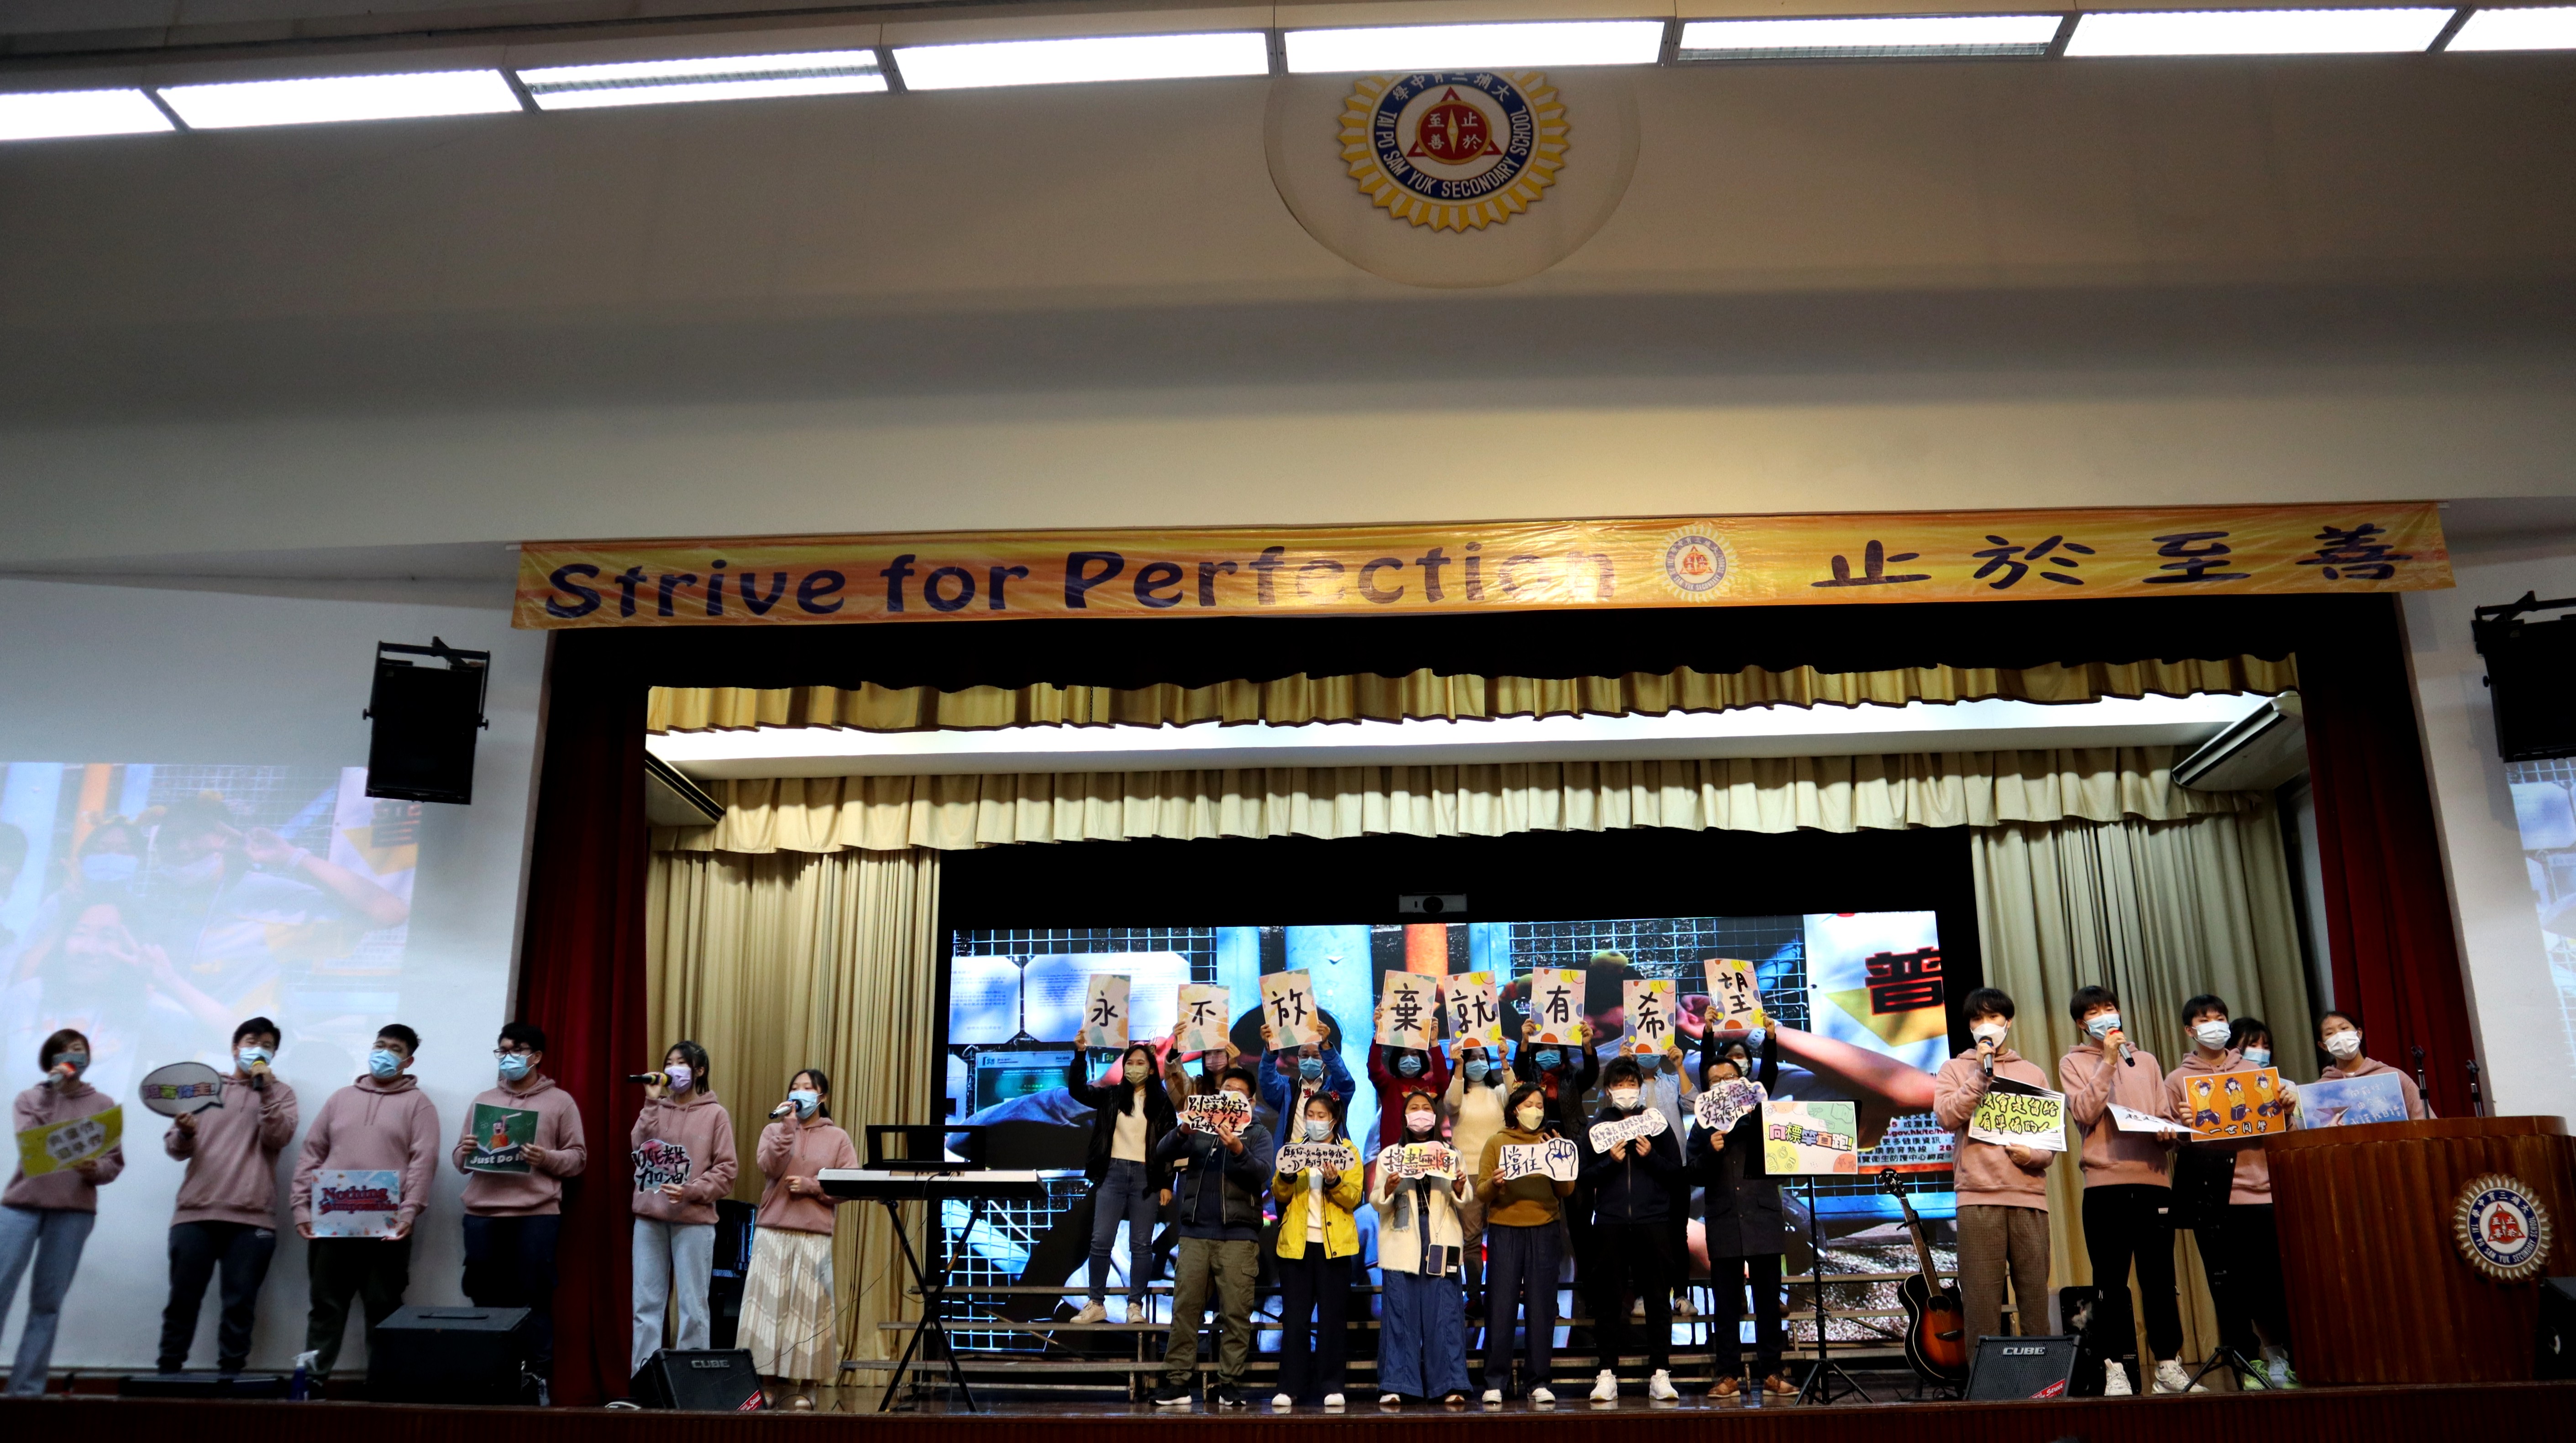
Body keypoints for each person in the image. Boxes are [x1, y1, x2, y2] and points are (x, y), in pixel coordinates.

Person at [2057, 985, 2192, 1396]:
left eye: (2109, 1007)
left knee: (2160, 1279)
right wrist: (2108, 1062)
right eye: (2094, 1011)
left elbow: (2164, 1119)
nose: (2105, 1015)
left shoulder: (2146, 1060)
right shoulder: (2073, 1062)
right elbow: (2084, 1112)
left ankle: (2167, 1363)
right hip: (2105, 1185)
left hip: (2153, 1182)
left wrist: (2171, 1131)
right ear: (2082, 1023)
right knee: (2110, 1283)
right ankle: (2113, 1366)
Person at [293, 1023, 440, 1385]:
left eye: (395, 1049)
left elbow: (423, 1161)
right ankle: (312, 1383)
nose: (384, 1053)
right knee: (326, 1305)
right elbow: (312, 1153)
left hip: (387, 1223)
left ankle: (384, 1386)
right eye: (380, 1045)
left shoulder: (418, 1104)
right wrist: (301, 1206)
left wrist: (409, 1211)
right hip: (331, 1218)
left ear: (408, 1060)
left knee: (383, 1306)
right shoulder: (340, 1098)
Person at [2166, 994, 2297, 1389]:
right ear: (2190, 1030)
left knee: (2272, 1283)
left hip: (2261, 1193)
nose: (2214, 1025)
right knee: (2228, 1288)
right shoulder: (2177, 1080)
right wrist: (2183, 1127)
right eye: (2204, 1019)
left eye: (2219, 1017)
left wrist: (2286, 1111)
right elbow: (2172, 1140)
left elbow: (2281, 1133)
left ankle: (2284, 1358)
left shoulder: (2256, 1073)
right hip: (2212, 1199)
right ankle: (2248, 1363)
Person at [160, 1015, 299, 1376]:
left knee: (240, 1303)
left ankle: (231, 1376)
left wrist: (266, 1091)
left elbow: (279, 1137)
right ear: (236, 1047)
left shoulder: (282, 1093)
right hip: (196, 1212)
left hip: (252, 1218)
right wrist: (185, 1133)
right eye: (252, 1042)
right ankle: (168, 1371)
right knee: (182, 1299)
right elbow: (175, 1148)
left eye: (267, 1045)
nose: (258, 1049)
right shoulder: (204, 1089)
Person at [451, 1021, 587, 1385]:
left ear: (536, 1056)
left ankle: (537, 1378)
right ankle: (489, 1376)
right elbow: (460, 1161)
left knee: (534, 1298)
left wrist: (545, 1157)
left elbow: (578, 1159)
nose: (507, 1057)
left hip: (536, 1215)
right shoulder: (484, 1100)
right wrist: (465, 1151)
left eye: (516, 1050)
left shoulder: (560, 1102)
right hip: (482, 1213)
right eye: (503, 1050)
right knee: (483, 1297)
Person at [1, 1029, 123, 1396]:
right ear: (50, 1058)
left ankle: (26, 1390)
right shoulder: (30, 1098)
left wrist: (94, 1169)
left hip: (73, 1210)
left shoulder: (103, 1104)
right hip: (21, 1206)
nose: (73, 1055)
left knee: (48, 1303)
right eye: (65, 1050)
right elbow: (32, 1143)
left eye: (79, 1049)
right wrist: (51, 1090)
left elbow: (113, 1162)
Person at [1932, 987, 2054, 1351]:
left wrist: (2030, 1155)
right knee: (1981, 1302)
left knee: (2034, 1300)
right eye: (1977, 1018)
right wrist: (1979, 1076)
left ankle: (2039, 1379)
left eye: (1993, 1017)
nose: (1986, 1025)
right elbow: (1946, 1116)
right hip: (1977, 1197)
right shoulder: (1954, 1069)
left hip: (2028, 1197)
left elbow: (2048, 1145)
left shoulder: (2032, 1073)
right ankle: (1985, 1381)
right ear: (1970, 1026)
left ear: (2008, 1022)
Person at [1149, 1064, 1274, 1409]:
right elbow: (1162, 1151)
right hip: (1194, 1233)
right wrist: (1183, 1130)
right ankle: (1177, 1383)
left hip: (1239, 1237)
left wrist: (1238, 1149)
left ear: (1250, 1102)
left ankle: (1229, 1383)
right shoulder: (1200, 1128)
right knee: (1185, 1310)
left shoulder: (1258, 1133)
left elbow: (1263, 1172)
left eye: (1238, 1093)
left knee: (1236, 1314)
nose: (1229, 1096)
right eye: (1225, 1090)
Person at [746, 1068, 859, 1408]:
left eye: (807, 1087)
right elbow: (769, 1166)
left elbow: (850, 1185)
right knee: (768, 1311)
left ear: (821, 1097)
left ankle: (808, 1387)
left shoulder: (837, 1138)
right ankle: (767, 1383)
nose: (800, 1092)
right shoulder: (774, 1129)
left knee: (810, 1312)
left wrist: (812, 1186)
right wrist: (787, 1127)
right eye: (795, 1087)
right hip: (773, 1228)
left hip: (814, 1232)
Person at [1578, 1055, 1684, 1404]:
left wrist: (1650, 1155)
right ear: (1608, 1090)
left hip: (1653, 1221)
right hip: (1609, 1223)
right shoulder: (1597, 1128)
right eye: (1618, 1084)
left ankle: (1660, 1373)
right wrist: (1609, 1162)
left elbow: (1675, 1172)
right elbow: (1582, 1177)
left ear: (1640, 1087)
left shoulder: (1656, 1123)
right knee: (1608, 1300)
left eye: (1631, 1084)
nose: (1626, 1090)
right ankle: (1607, 1373)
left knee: (1657, 1299)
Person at [630, 1039, 737, 1379]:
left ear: (699, 1071)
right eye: (669, 1062)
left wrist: (691, 1191)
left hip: (694, 1220)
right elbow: (638, 1146)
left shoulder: (715, 1114)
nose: (673, 1069)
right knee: (646, 1304)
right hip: (650, 1218)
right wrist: (651, 1103)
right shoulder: (657, 1107)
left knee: (693, 1305)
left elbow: (726, 1171)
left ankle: (692, 1380)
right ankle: (645, 1378)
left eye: (681, 1063)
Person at [1692, 1031, 1790, 1399]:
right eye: (1715, 1080)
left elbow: (1784, 1163)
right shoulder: (1702, 1126)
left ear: (1742, 1079)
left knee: (1768, 1301)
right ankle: (1728, 1374)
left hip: (1762, 1216)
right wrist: (1711, 1150)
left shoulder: (1764, 1114)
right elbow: (1692, 1172)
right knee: (1726, 1304)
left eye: (1729, 1077)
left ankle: (1772, 1372)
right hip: (1723, 1221)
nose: (1722, 1084)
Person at [1372, 1088, 1473, 1408]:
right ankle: (1396, 1384)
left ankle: (1450, 1383)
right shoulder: (1390, 1155)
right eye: (1414, 1108)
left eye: (1426, 1108)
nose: (1420, 1113)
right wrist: (1388, 1189)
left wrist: (1460, 1187)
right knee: (1400, 1314)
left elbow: (1465, 1197)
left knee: (1445, 1313)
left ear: (1434, 1115)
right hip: (1401, 1238)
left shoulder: (1450, 1153)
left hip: (1442, 1237)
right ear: (1405, 1117)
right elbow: (1377, 1201)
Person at [1476, 1081, 1574, 1405]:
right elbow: (1481, 1192)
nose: (1535, 1111)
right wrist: (1495, 1183)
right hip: (1505, 1229)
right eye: (1529, 1105)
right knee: (1500, 1306)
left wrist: (1559, 1159)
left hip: (1544, 1229)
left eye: (1540, 1106)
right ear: (1515, 1109)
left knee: (1541, 1307)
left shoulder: (1550, 1141)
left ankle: (1539, 1381)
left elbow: (1566, 1191)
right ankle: (1495, 1380)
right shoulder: (1497, 1141)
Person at [1065, 1041, 1175, 1324]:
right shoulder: (1111, 1095)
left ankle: (1135, 1306)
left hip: (1146, 1177)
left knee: (1141, 1244)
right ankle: (1096, 1303)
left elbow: (1169, 1145)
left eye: (1140, 1063)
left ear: (1152, 1070)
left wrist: (1166, 1182)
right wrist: (1080, 1054)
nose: (1133, 1068)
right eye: (1129, 1063)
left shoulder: (1162, 1103)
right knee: (1101, 1240)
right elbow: (1078, 1090)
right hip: (1112, 1173)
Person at [1270, 1093, 1363, 1411]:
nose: (1315, 1120)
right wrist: (1286, 1175)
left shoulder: (1348, 1152)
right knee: (1295, 1320)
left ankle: (1331, 1385)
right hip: (1296, 1246)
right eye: (1310, 1114)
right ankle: (1290, 1386)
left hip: (1334, 1247)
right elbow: (1279, 1192)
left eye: (1322, 1115)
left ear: (1333, 1120)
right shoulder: (1293, 1150)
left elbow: (1354, 1197)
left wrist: (1335, 1181)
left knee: (1332, 1320)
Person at [1443, 1035, 1510, 1318]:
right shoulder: (1457, 1091)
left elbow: (1514, 1096)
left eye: (1483, 1058)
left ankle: (1500, 1295)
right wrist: (1458, 1067)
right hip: (1467, 1173)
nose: (1478, 1063)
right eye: (1472, 1059)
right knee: (1470, 1238)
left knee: (1502, 1236)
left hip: (1499, 1172)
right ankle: (1473, 1296)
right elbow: (1452, 1104)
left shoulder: (1498, 1093)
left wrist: (1505, 1062)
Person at [1368, 1000, 1452, 1150]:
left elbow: (1442, 1080)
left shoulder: (1429, 1086)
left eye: (1414, 1054)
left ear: (1423, 1059)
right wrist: (1378, 1034)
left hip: (1426, 1154)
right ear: (1396, 1060)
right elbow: (1374, 1068)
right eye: (1404, 1055)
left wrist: (1434, 1042)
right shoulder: (1388, 1085)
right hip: (1393, 1155)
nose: (1409, 1058)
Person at [2315, 1010, 2432, 1119]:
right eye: (2330, 1033)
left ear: (2359, 1034)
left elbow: (2425, 1120)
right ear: (2324, 1046)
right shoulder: (2319, 1091)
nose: (2340, 1036)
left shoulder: (2394, 1077)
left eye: (2344, 1028)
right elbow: (2314, 1127)